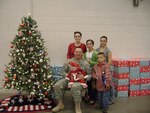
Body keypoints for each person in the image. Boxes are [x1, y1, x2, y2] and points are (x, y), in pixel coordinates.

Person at [52, 47, 91, 113]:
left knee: (75, 86)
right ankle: (60, 104)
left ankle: (77, 107)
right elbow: (62, 72)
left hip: (79, 82)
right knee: (57, 85)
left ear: (82, 53)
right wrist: (68, 75)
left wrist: (84, 77)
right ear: (74, 53)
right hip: (69, 79)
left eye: (79, 52)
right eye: (76, 52)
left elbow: (90, 74)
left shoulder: (86, 63)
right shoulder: (69, 61)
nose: (78, 53)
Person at [96, 36, 114, 105]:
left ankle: (111, 99)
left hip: (107, 69)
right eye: (101, 40)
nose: (103, 42)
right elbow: (97, 60)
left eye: (104, 40)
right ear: (100, 41)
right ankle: (101, 99)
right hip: (99, 69)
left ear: (106, 41)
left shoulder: (108, 50)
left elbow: (109, 61)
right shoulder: (97, 50)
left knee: (109, 84)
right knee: (101, 84)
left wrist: (105, 68)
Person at [83, 39, 98, 105]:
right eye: (87, 44)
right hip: (87, 72)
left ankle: (94, 99)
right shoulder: (85, 54)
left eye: (90, 44)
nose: (89, 45)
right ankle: (88, 97)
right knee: (88, 85)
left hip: (94, 71)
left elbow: (98, 62)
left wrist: (90, 62)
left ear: (93, 45)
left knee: (93, 86)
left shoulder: (96, 53)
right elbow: (83, 62)